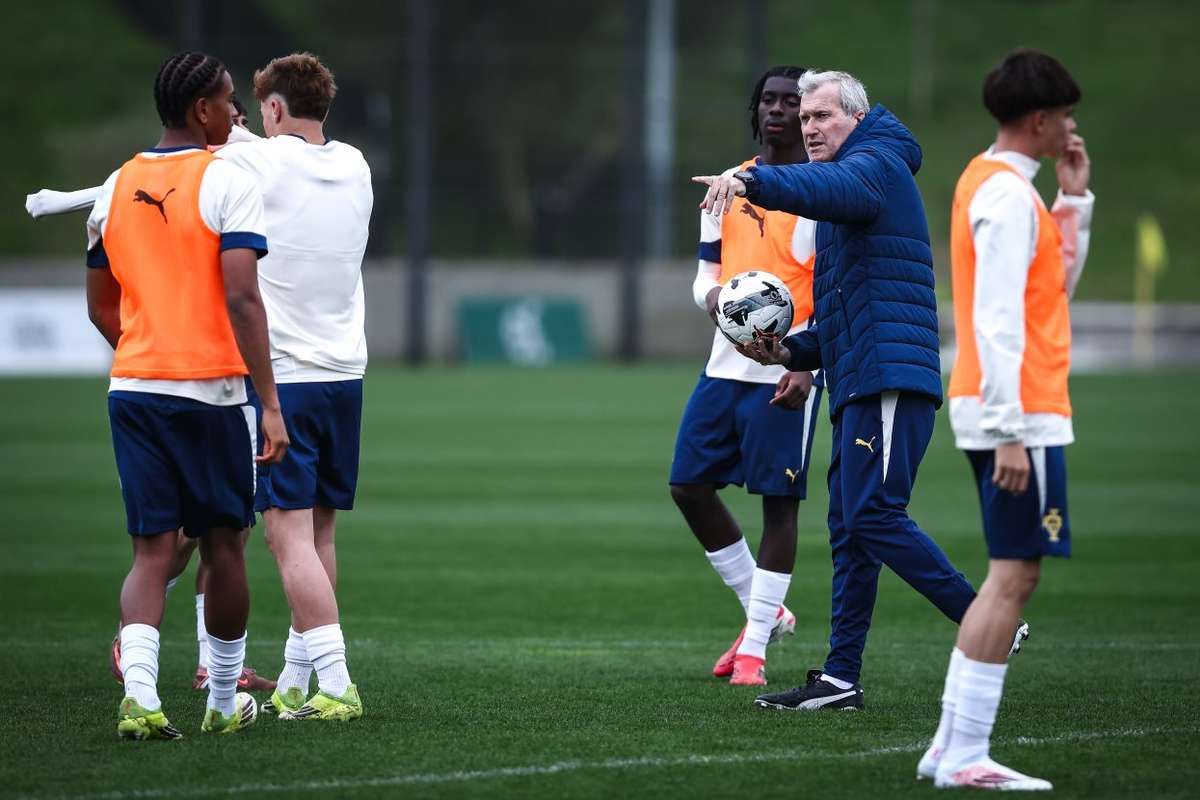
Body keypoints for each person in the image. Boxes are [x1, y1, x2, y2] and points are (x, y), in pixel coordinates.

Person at [694, 70, 1012, 711]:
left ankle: (987, 620)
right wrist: (789, 352)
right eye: (804, 118)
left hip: (892, 377)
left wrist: (752, 177)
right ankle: (840, 678)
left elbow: (827, 185)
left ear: (857, 120)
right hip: (862, 374)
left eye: (822, 116)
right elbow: (839, 316)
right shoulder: (850, 188)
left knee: (872, 516)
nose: (809, 127)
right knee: (850, 528)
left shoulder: (875, 166)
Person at [86, 51, 287, 738]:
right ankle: (225, 704)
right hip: (211, 393)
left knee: (151, 551)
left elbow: (100, 308)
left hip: (134, 389)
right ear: (201, 109)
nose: (237, 111)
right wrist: (270, 401)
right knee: (225, 545)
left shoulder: (115, 185)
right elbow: (241, 295)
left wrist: (148, 354)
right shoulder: (227, 180)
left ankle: (140, 698)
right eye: (230, 99)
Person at [917, 49, 1092, 791]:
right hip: (1015, 411)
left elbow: (1049, 292)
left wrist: (1074, 201)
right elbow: (991, 320)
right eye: (1066, 117)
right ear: (1041, 119)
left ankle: (950, 748)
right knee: (1012, 575)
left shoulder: (1009, 189)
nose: (1073, 129)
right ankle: (964, 754)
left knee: (1011, 574)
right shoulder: (1002, 196)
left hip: (1015, 406)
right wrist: (1009, 426)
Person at [215, 52, 372, 721]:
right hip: (346, 376)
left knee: (285, 538)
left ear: (272, 108)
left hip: (289, 381)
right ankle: (292, 682)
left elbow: (215, 153)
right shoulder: (356, 164)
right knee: (320, 537)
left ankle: (336, 684)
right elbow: (266, 148)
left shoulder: (256, 163)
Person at [670, 66, 822, 686]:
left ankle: (754, 650)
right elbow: (706, 273)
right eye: (769, 100)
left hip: (787, 374)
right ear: (755, 111)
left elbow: (829, 287)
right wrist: (714, 303)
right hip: (724, 366)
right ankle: (765, 608)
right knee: (688, 486)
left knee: (778, 507)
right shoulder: (726, 188)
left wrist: (807, 364)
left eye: (793, 103)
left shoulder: (819, 193)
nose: (779, 111)